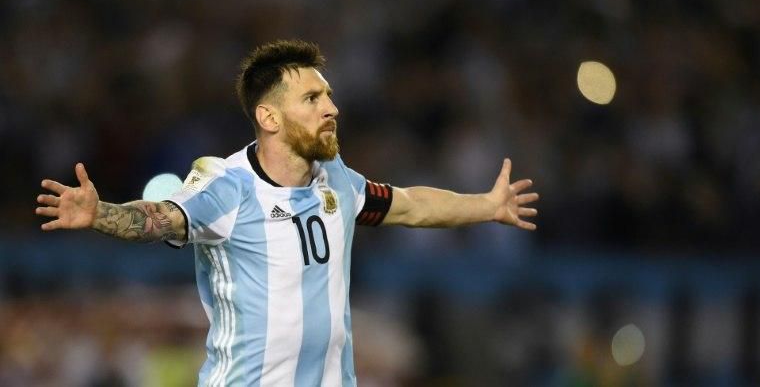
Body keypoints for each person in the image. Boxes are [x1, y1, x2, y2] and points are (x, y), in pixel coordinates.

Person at [35, 39, 539, 386]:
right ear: (269, 116)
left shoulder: (335, 178)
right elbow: (161, 217)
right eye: (313, 98)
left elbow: (409, 205)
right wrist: (100, 213)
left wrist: (487, 205)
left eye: (330, 96)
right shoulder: (226, 186)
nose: (331, 108)